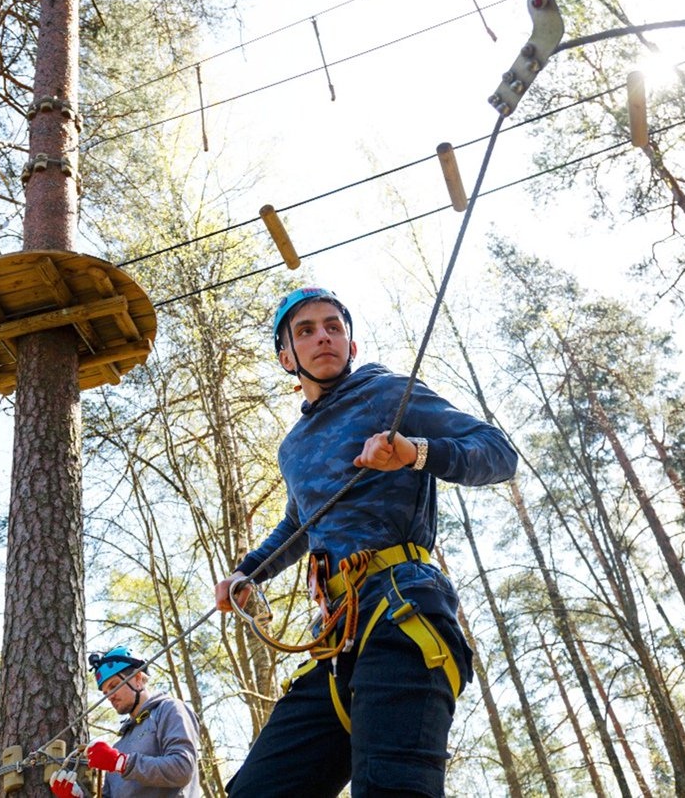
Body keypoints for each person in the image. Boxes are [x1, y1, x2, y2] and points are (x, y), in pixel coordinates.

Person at [214, 286, 517, 797]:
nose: (323, 337)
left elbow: (497, 452)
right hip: (335, 632)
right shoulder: (294, 447)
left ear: (351, 345)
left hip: (402, 605)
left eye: (334, 326)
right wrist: (249, 572)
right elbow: (301, 524)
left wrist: (414, 452)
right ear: (287, 356)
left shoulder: (387, 394)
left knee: (389, 788)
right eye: (306, 331)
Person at [50, 645, 201, 798]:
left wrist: (121, 763)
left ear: (138, 679)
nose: (110, 696)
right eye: (106, 692)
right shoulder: (119, 746)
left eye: (114, 686)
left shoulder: (169, 709)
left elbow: (183, 768)